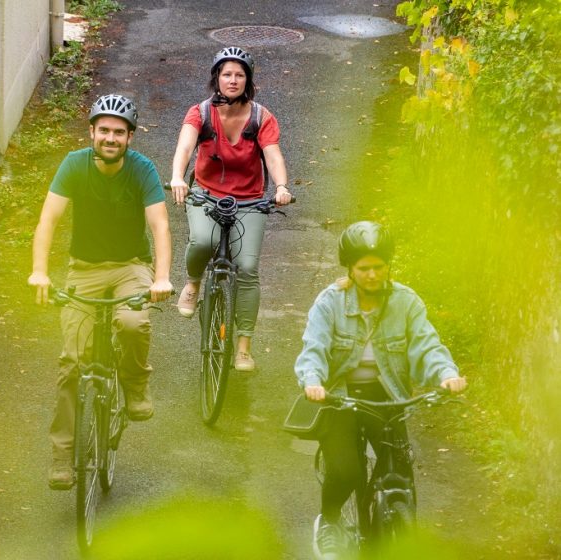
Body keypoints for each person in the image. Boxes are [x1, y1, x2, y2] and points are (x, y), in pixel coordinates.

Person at [293, 221, 467, 559]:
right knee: (346, 471)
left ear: (388, 266)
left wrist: (446, 373)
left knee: (399, 473)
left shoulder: (405, 302)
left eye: (379, 267)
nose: (373, 275)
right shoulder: (330, 302)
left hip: (388, 397)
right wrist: (312, 380)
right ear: (350, 269)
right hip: (339, 398)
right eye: (364, 268)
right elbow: (313, 347)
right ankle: (329, 522)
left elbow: (426, 345)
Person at [28, 94, 174, 490]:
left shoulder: (142, 170)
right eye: (104, 130)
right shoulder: (74, 165)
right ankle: (62, 455)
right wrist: (39, 272)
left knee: (131, 322)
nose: (111, 138)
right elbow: (48, 220)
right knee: (72, 363)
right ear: (91, 131)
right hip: (85, 269)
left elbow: (160, 226)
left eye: (119, 133)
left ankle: (135, 383)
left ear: (130, 138)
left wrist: (161, 278)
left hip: (130, 266)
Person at [168, 46, 292, 372]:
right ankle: (193, 284)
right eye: (227, 74)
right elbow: (185, 145)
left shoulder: (261, 117)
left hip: (250, 200)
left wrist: (280, 187)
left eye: (239, 75)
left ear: (247, 80)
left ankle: (244, 348)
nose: (233, 80)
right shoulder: (201, 113)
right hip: (206, 194)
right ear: (217, 79)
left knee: (248, 267)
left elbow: (273, 155)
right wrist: (177, 178)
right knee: (202, 242)